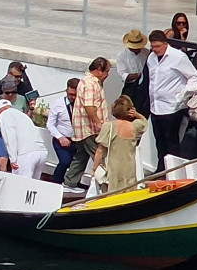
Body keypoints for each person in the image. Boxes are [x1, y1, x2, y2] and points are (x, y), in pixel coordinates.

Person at [145, 28, 197, 165]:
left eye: (157, 46)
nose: (155, 49)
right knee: (159, 140)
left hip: (172, 106)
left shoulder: (178, 57)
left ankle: (172, 169)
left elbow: (193, 76)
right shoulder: (151, 58)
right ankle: (161, 167)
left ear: (165, 44)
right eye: (153, 46)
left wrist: (183, 94)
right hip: (155, 106)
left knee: (171, 142)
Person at [65, 57, 111, 186]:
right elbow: (89, 105)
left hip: (83, 127)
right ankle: (103, 184)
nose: (107, 75)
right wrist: (97, 122)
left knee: (81, 156)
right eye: (106, 72)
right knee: (101, 156)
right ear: (98, 70)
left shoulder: (87, 81)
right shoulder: (91, 84)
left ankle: (70, 183)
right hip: (89, 128)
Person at [94, 96, 145, 193]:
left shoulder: (109, 126)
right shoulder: (135, 126)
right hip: (130, 166)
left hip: (113, 167)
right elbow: (144, 123)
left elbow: (100, 150)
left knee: (112, 195)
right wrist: (136, 114)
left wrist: (94, 169)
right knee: (129, 194)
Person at [114, 29, 151, 112]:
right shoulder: (122, 55)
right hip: (130, 87)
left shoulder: (146, 52)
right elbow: (122, 74)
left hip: (145, 87)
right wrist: (138, 75)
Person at [48, 79, 78, 177]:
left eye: (75, 95)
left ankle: (69, 184)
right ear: (66, 91)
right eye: (70, 94)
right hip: (61, 139)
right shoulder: (58, 104)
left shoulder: (82, 104)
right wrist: (60, 137)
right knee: (65, 161)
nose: (72, 97)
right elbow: (50, 124)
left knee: (75, 165)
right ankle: (56, 182)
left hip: (77, 140)